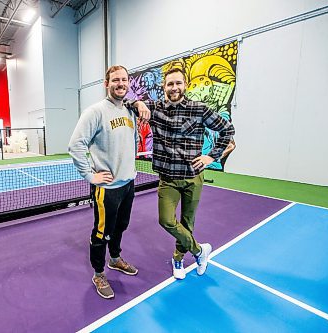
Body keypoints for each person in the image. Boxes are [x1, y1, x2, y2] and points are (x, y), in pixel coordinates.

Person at [133, 67, 235, 279]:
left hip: (193, 177)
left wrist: (211, 156)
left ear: (185, 85)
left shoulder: (200, 109)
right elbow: (129, 104)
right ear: (164, 87)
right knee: (166, 220)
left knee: (187, 222)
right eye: (170, 84)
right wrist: (138, 102)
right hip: (168, 179)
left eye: (178, 83)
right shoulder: (155, 108)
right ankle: (200, 250)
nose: (174, 88)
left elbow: (227, 130)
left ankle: (178, 258)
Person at [68, 65, 150, 299]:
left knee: (121, 226)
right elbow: (75, 145)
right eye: (115, 80)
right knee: (101, 232)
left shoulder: (130, 111)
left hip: (128, 184)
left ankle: (114, 259)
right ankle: (98, 272)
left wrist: (138, 103)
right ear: (107, 83)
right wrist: (90, 176)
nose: (120, 84)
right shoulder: (95, 112)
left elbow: (135, 120)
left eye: (124, 80)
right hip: (107, 188)